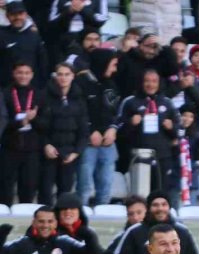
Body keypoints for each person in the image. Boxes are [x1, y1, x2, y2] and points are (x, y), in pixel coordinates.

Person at [117, 69, 182, 205]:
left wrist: (171, 127)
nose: (150, 85)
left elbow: (179, 132)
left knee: (162, 194)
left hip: (163, 157)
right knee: (140, 196)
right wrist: (131, 123)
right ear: (141, 82)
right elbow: (120, 132)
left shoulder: (167, 103)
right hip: (139, 156)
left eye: (154, 81)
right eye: (147, 81)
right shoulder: (130, 102)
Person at [37, 62, 88, 204]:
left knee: (65, 193)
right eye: (60, 74)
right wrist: (46, 145)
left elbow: (83, 129)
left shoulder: (79, 98)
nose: (63, 78)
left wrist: (76, 152)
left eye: (67, 74)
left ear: (73, 76)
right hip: (49, 152)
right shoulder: (44, 96)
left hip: (69, 154)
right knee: (45, 191)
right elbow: (39, 126)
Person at [76, 48, 120, 206]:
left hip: (108, 142)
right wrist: (90, 130)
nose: (114, 69)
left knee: (106, 185)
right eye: (113, 65)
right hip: (88, 143)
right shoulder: (80, 83)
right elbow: (79, 111)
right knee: (84, 187)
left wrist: (113, 128)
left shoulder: (111, 84)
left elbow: (115, 111)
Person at [0, 61, 44, 206]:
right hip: (10, 147)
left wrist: (33, 119)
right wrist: (22, 122)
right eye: (20, 72)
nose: (23, 76)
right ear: (14, 74)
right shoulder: (5, 94)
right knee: (5, 188)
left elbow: (45, 123)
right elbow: (2, 123)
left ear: (32, 75)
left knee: (28, 187)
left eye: (26, 73)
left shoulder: (38, 94)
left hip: (31, 149)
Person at [0, 2, 49, 88]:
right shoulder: (2, 35)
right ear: (7, 16)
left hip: (32, 89)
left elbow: (43, 63)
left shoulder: (34, 36)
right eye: (13, 14)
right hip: (7, 89)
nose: (17, 17)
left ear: (26, 15)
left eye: (20, 14)